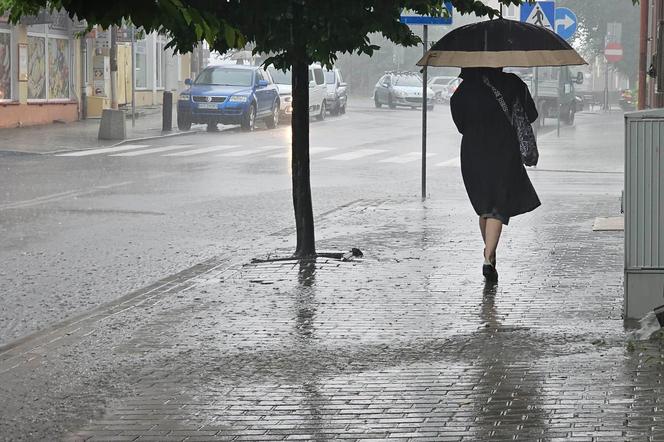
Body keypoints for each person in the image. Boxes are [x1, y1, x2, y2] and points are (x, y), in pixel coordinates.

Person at [450, 67, 541, 282]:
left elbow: (460, 122)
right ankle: (488, 258)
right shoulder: (512, 83)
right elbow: (531, 114)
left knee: (484, 207)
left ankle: (489, 254)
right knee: (498, 207)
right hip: (504, 150)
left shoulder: (465, 88)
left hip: (473, 152)